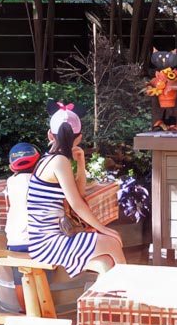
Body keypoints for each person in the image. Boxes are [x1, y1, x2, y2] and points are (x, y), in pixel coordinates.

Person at [26, 106, 124, 276]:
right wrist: (103, 229)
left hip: (42, 240)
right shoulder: (59, 161)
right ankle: (128, 293)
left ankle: (113, 297)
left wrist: (80, 162)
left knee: (107, 260)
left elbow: (77, 194)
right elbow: (77, 204)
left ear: (50, 135)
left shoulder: (48, 159)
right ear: (79, 138)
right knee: (113, 242)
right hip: (47, 243)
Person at [5, 142, 41, 253]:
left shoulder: (11, 181)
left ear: (12, 167)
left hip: (14, 242)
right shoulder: (43, 180)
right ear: (39, 163)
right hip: (40, 244)